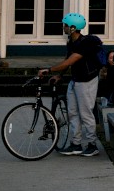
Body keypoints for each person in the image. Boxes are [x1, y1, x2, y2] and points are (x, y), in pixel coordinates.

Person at [37, 13, 104, 157]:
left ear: (73, 28)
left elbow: (70, 61)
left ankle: (92, 145)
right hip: (75, 80)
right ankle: (76, 144)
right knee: (72, 113)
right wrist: (59, 75)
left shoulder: (86, 42)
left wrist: (49, 70)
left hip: (87, 81)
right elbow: (68, 59)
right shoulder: (71, 42)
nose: (64, 27)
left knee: (85, 113)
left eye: (66, 25)